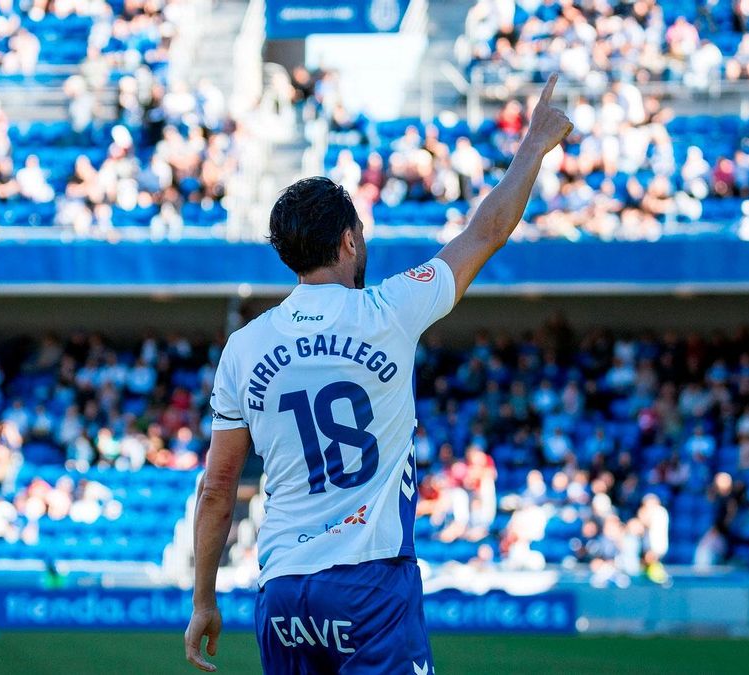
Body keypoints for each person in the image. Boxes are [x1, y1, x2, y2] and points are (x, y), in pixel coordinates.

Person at [185, 75, 573, 674]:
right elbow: (486, 232)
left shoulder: (243, 348)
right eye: (360, 234)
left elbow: (216, 490)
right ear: (347, 241)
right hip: (370, 585)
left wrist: (204, 599)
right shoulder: (390, 310)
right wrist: (535, 146)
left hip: (283, 592)